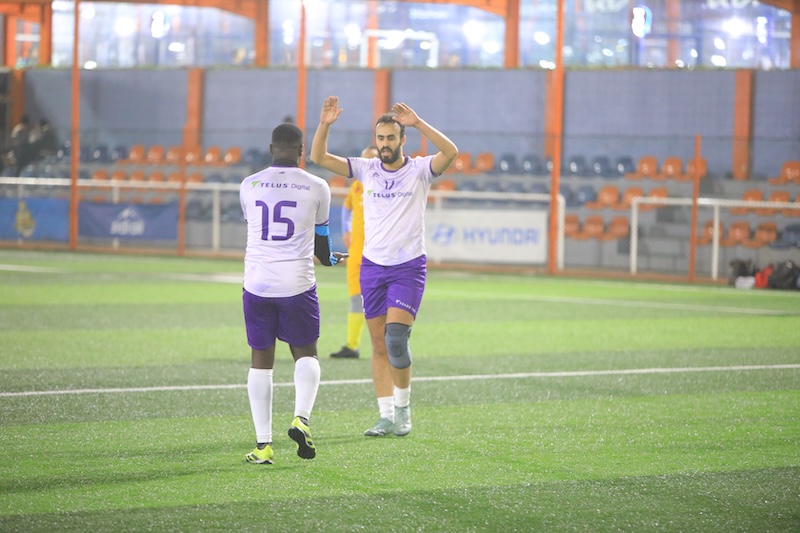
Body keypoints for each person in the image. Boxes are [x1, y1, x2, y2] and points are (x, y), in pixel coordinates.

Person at [311, 96, 458, 437]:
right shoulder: (367, 169)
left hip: (408, 267)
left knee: (395, 339)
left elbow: (450, 152)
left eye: (391, 137)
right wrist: (324, 125)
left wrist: (418, 122)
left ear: (402, 139)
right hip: (372, 268)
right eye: (380, 138)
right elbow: (319, 157)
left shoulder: (420, 170)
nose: (385, 144)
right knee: (378, 344)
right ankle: (385, 415)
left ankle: (404, 410)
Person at [240, 122, 347, 464]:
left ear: (271, 149)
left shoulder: (248, 184)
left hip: (256, 284)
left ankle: (263, 446)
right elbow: (321, 244)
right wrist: (331, 260)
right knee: (306, 354)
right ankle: (301, 418)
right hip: (297, 284)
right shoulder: (317, 186)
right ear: (302, 152)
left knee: (260, 362)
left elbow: (257, 230)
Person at [329, 145, 380, 360]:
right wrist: (346, 230)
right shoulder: (357, 185)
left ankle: (387, 346)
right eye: (364, 160)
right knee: (355, 299)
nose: (367, 165)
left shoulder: (386, 186)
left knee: (381, 302)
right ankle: (352, 346)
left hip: (378, 254)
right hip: (356, 252)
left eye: (372, 160)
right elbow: (347, 206)